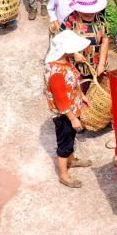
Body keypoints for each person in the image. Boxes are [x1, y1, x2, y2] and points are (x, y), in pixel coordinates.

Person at [45, 29, 94, 188]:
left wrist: (81, 96)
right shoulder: (56, 73)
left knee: (71, 137)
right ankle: (64, 175)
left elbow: (73, 83)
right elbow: (61, 101)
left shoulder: (64, 60)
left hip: (72, 108)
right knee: (64, 144)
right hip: (65, 115)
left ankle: (71, 160)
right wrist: (73, 119)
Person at [63, 0, 110, 76]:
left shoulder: (101, 19)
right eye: (86, 12)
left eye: (92, 11)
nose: (89, 14)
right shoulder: (70, 20)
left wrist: (101, 64)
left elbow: (105, 41)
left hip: (98, 65)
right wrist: (73, 53)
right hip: (76, 68)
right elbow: (61, 42)